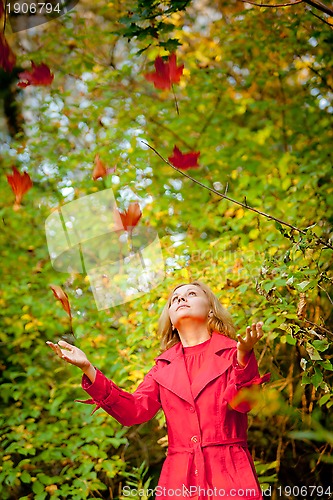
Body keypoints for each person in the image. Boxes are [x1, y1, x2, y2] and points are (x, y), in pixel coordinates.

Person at [47, 280, 270, 499]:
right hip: (178, 479)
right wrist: (88, 368)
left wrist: (243, 358)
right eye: (175, 299)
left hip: (229, 473)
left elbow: (245, 403)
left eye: (192, 294)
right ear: (172, 321)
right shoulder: (163, 367)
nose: (181, 298)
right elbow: (133, 411)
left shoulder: (235, 353)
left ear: (211, 311)